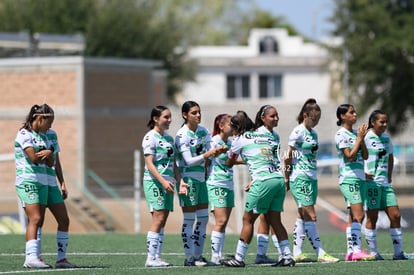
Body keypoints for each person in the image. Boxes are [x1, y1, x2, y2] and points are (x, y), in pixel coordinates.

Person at [221, 106, 295, 268]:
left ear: (236, 128)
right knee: (275, 220)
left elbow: (228, 162)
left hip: (263, 182)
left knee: (248, 219)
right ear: (262, 118)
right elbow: (271, 160)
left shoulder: (240, 139)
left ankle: (239, 258)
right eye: (273, 116)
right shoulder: (272, 136)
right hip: (278, 180)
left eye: (277, 115)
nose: (276, 118)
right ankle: (287, 257)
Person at [284, 98, 339, 263]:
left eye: (318, 120)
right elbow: (288, 156)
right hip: (299, 178)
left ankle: (297, 253)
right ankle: (321, 253)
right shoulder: (297, 132)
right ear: (305, 115)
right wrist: (287, 177)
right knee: (311, 215)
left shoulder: (313, 133)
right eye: (314, 119)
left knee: (302, 215)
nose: (316, 122)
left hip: (311, 178)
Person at [175, 101, 226, 266]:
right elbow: (188, 161)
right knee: (189, 219)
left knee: (203, 218)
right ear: (185, 115)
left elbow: (211, 153)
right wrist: (208, 154)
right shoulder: (182, 135)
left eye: (199, 112)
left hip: (202, 179)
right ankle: (189, 258)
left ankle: (198, 256)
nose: (198, 115)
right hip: (188, 180)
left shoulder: (203, 131)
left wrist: (218, 152)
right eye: (194, 113)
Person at [364, 110, 414, 260]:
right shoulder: (366, 137)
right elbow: (357, 157)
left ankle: (398, 253)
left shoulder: (386, 138)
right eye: (382, 122)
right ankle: (373, 253)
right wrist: (364, 174)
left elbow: (390, 157)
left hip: (385, 184)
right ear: (373, 122)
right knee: (372, 218)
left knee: (396, 215)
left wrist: (389, 175)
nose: (385, 125)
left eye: (386, 122)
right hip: (371, 184)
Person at [142, 105, 185, 267]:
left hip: (168, 182)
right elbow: (149, 164)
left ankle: (157, 257)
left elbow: (173, 164)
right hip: (154, 182)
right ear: (155, 119)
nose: (169, 120)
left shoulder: (168, 139)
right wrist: (163, 181)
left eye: (170, 117)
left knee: (163, 220)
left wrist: (180, 180)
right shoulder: (150, 137)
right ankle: (150, 258)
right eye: (166, 117)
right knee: (158, 218)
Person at [14, 104, 55, 268]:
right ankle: (30, 257)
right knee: (35, 218)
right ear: (40, 118)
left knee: (40, 220)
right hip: (27, 180)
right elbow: (34, 158)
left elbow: (51, 162)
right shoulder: (24, 134)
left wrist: (49, 153)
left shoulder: (43, 136)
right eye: (49, 122)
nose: (50, 126)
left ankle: (35, 256)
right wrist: (46, 153)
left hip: (42, 180)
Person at [335, 104, 374, 261]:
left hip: (360, 179)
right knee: (360, 214)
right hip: (348, 179)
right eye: (351, 112)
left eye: (355, 112)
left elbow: (364, 156)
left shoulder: (355, 134)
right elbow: (350, 156)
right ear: (342, 116)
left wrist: (361, 139)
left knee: (353, 216)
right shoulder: (341, 134)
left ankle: (351, 252)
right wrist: (358, 138)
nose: (355, 114)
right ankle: (356, 250)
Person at [39, 126, 78, 268]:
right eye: (48, 120)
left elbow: (56, 161)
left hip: (52, 184)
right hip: (38, 183)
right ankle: (34, 257)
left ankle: (61, 259)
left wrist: (62, 182)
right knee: (38, 220)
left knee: (64, 220)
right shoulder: (30, 134)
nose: (50, 124)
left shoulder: (52, 134)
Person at [207, 113, 240, 265]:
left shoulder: (232, 143)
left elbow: (230, 161)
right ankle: (215, 257)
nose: (233, 128)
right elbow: (206, 160)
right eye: (231, 125)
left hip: (228, 184)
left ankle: (218, 255)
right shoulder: (213, 142)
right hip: (216, 184)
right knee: (221, 220)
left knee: (224, 222)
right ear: (221, 126)